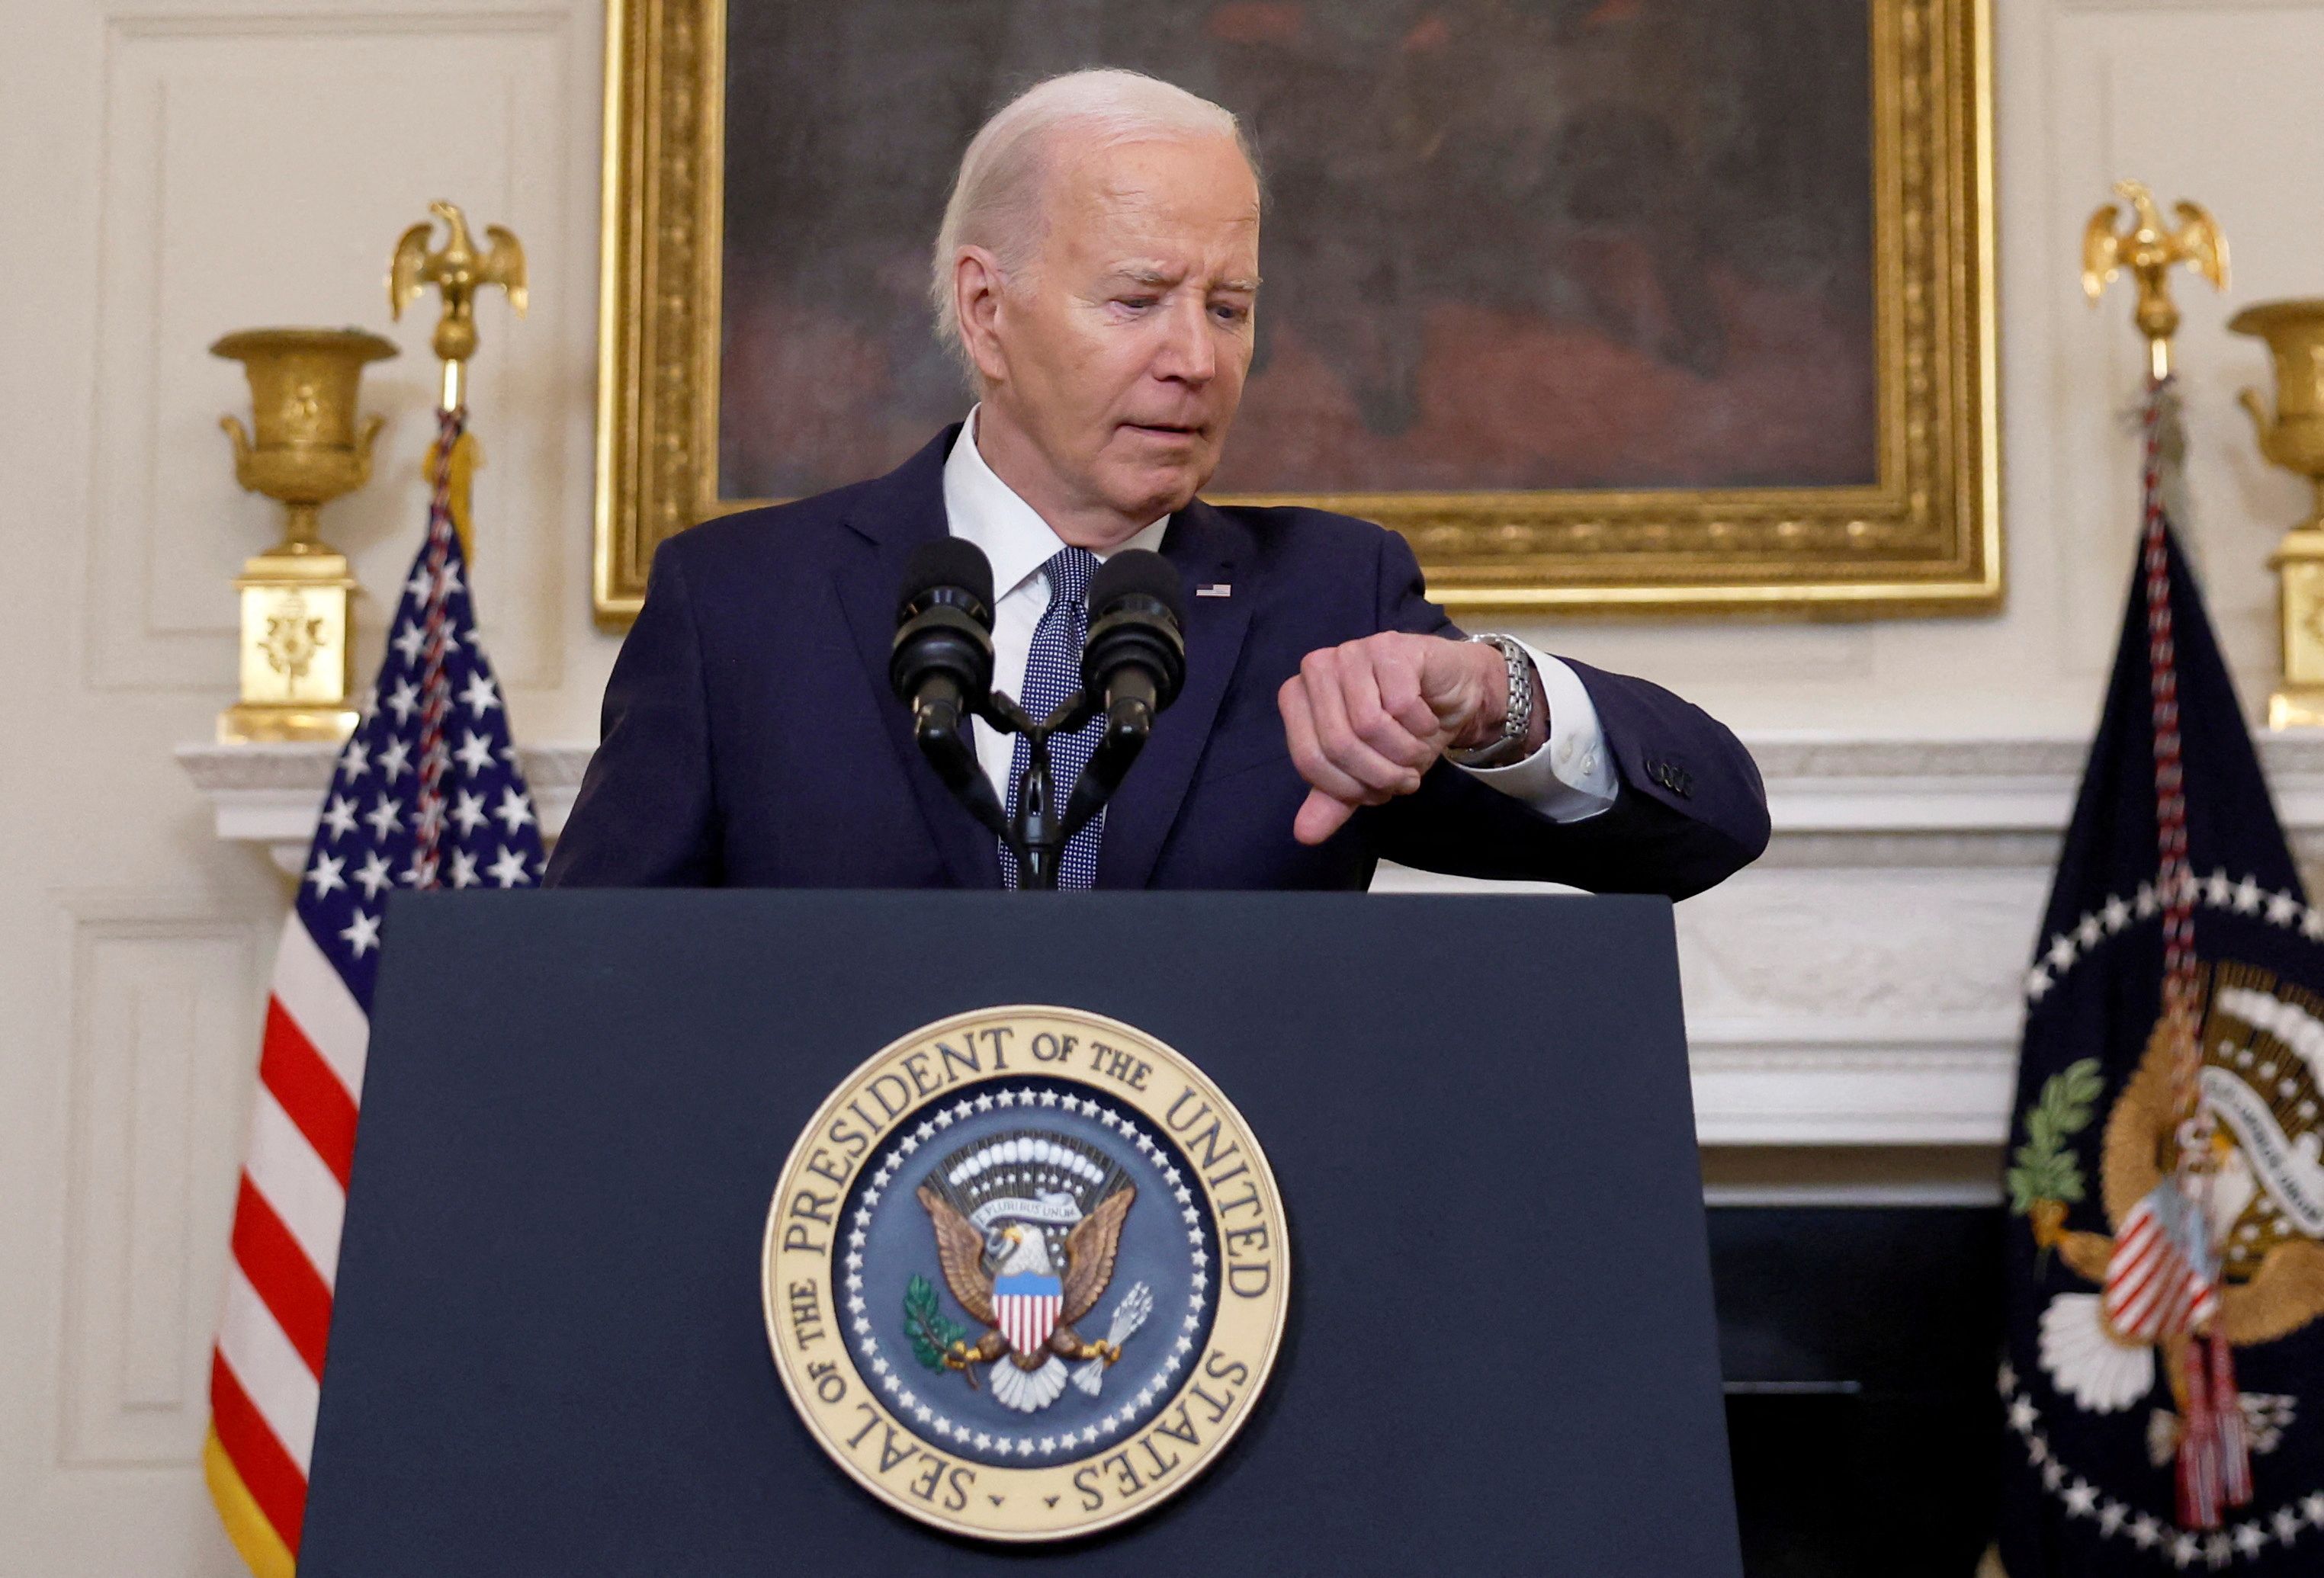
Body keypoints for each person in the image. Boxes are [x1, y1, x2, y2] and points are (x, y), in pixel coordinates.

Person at [547, 69, 1767, 896]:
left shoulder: (1329, 600)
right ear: (987, 311)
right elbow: (589, 987)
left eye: (1228, 307)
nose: (1195, 359)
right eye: (1137, 301)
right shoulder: (741, 606)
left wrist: (1492, 696)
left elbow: (1707, 822)